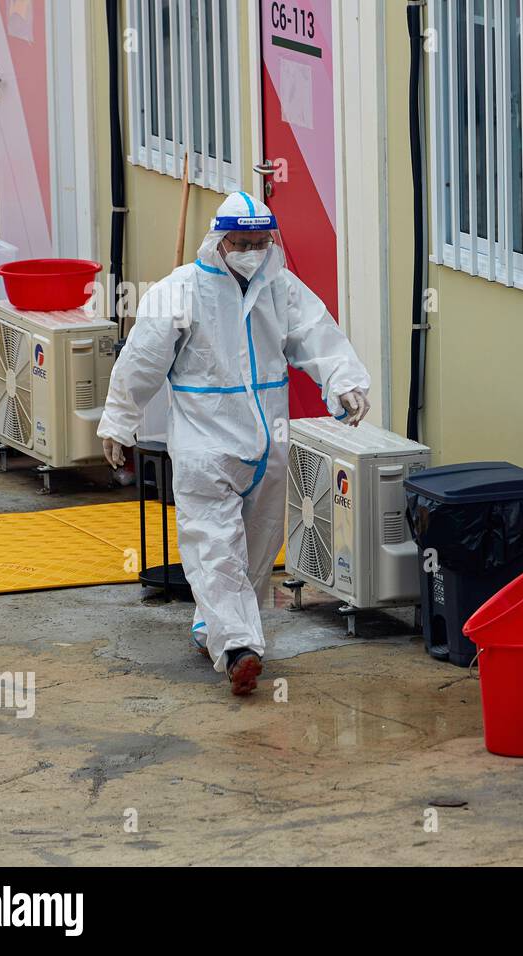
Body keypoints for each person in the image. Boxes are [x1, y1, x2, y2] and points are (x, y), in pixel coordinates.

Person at [97, 192, 370, 696]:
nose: (250, 250)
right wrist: (119, 421)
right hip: (205, 443)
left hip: (269, 440)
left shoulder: (279, 288)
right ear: (218, 241)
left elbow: (317, 334)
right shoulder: (181, 291)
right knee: (213, 544)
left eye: (259, 242)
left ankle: (212, 627)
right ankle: (240, 647)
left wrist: (344, 381)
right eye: (241, 242)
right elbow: (141, 360)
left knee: (259, 549)